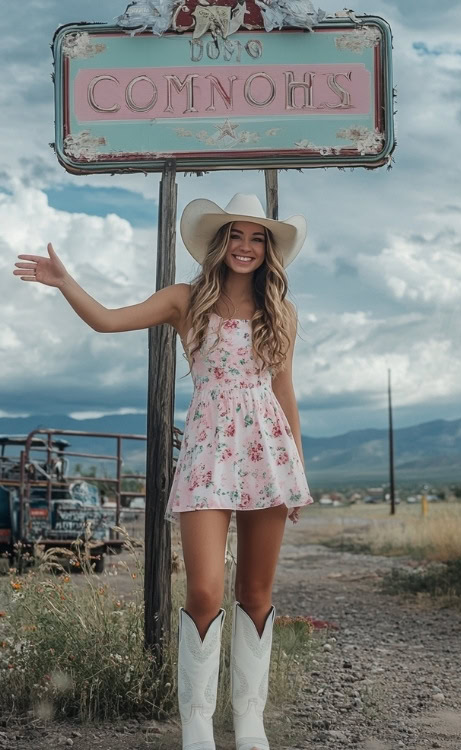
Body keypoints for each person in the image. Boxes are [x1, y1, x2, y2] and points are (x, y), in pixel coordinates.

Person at [13, 192, 314, 750]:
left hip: (267, 456)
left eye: (257, 238)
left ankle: (250, 722)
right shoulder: (186, 299)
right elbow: (107, 321)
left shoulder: (281, 313)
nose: (246, 247)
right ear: (219, 243)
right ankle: (197, 725)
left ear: (267, 249)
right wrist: (65, 281)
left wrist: (297, 472)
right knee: (204, 590)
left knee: (255, 591)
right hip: (207, 456)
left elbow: (285, 392)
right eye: (236, 235)